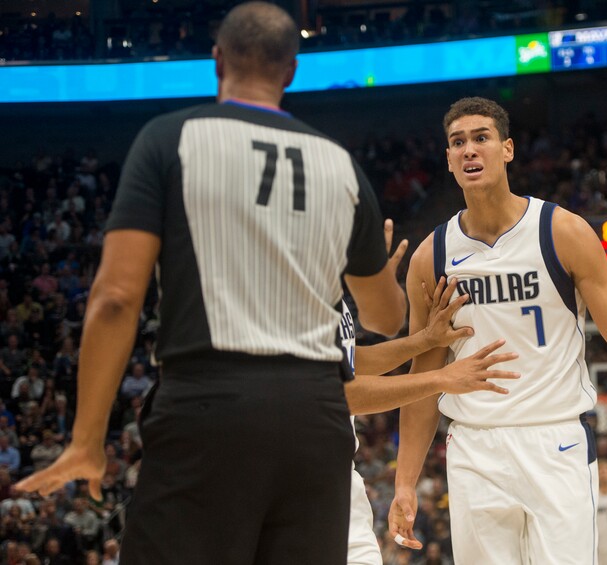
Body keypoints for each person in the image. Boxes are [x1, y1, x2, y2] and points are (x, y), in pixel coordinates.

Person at [16, 3, 407, 564]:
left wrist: (86, 439)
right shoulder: (339, 164)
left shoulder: (168, 139)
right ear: (291, 71)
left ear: (216, 60)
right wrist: (386, 281)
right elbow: (383, 318)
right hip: (315, 420)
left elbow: (115, 298)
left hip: (209, 405)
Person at [388, 97, 607, 564]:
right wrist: (404, 482)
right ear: (449, 159)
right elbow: (424, 377)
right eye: (458, 143)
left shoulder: (562, 232)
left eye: (481, 138)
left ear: (508, 149)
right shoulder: (429, 257)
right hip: (475, 444)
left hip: (555, 438)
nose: (470, 150)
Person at [342, 221, 519, 565]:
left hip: (338, 477)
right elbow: (340, 393)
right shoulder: (291, 299)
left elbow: (351, 362)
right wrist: (440, 378)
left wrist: (424, 341)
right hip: (295, 481)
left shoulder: (329, 299)